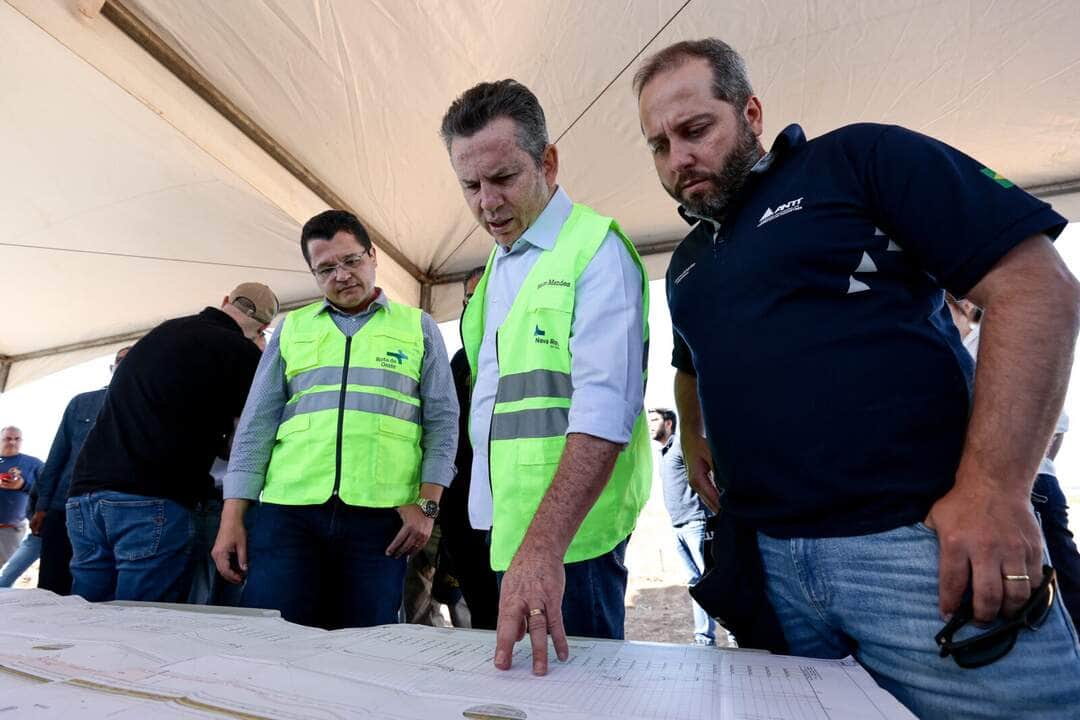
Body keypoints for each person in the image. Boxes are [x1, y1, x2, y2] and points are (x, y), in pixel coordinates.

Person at [633, 37, 1080, 717]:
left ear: (751, 112)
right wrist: (692, 434)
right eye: (660, 145)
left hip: (915, 552)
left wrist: (994, 489)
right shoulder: (690, 263)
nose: (678, 157)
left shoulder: (856, 159)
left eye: (695, 129)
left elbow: (1036, 286)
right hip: (768, 569)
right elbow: (688, 362)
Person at [440, 79, 651, 675]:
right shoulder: (498, 266)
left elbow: (605, 411)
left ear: (549, 161)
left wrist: (543, 547)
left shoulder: (596, 251)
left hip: (568, 543)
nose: (487, 202)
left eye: (503, 178)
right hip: (510, 529)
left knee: (577, 696)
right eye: (470, 186)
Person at [212, 210, 458, 630]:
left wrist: (428, 505)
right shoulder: (292, 328)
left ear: (373, 255)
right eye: (325, 268)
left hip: (381, 519)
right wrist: (232, 517)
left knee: (364, 647)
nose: (341, 276)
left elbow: (443, 421)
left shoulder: (418, 327)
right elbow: (256, 425)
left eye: (350, 261)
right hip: (287, 514)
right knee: (272, 637)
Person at [67, 284, 275, 602]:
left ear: (224, 301)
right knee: (139, 629)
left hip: (85, 496)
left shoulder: (162, 332)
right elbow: (249, 436)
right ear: (263, 327)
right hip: (152, 498)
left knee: (85, 617)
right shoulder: (241, 353)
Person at [948, 298, 1080, 629]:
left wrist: (1024, 472)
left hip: (1024, 484)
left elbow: (1056, 424)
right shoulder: (950, 342)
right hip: (986, 484)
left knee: (1059, 571)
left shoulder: (993, 339)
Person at [28, 346, 129, 595]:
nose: (124, 365)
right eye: (120, 360)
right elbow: (57, 456)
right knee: (51, 588)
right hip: (65, 506)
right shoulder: (81, 403)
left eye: (133, 360)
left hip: (118, 511)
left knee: (100, 592)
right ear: (111, 367)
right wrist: (42, 506)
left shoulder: (152, 406)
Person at [437, 265, 500, 630]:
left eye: (484, 298)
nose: (474, 307)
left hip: (509, 507)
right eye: (468, 300)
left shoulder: (525, 350)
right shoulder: (460, 359)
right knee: (480, 613)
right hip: (463, 508)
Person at [647, 408, 716, 646]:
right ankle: (703, 638)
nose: (649, 424)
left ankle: (735, 636)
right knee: (695, 583)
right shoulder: (663, 452)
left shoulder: (680, 446)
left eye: (654, 420)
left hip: (697, 523)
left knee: (711, 582)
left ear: (669, 423)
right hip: (677, 527)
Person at [0, 427, 43, 568]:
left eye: (17, 438)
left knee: (3, 577)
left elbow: (47, 488)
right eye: (8, 438)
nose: (12, 442)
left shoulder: (33, 463)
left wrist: (22, 485)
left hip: (10, 530)